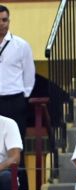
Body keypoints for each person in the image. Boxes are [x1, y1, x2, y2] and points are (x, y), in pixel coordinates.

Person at [0, 4, 36, 139]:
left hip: (15, 100)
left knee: (16, 140)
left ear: (9, 21)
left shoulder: (21, 45)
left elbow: (29, 74)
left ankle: (18, 162)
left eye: (4, 20)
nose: (1, 24)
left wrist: (24, 95)